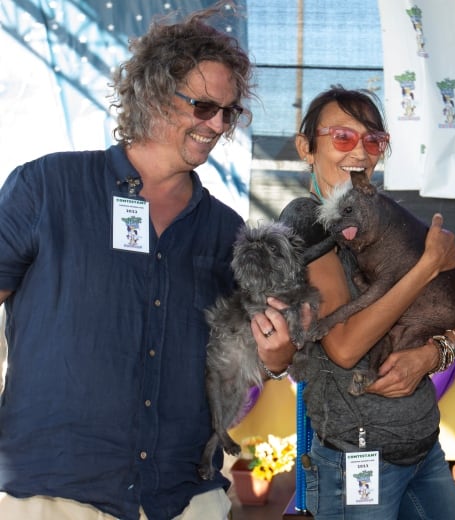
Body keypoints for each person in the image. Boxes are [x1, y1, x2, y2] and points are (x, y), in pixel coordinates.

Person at [0, 2, 298, 518]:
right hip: (55, 490)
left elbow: (241, 357)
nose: (218, 124)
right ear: (155, 94)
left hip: (183, 494)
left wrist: (275, 357)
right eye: (204, 106)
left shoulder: (226, 230)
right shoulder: (48, 187)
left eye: (229, 112)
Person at [281, 86, 455, 519]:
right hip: (355, 461)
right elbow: (343, 348)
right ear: (306, 147)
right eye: (342, 136)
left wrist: (433, 354)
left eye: (373, 140)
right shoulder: (308, 221)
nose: (360, 151)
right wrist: (425, 266)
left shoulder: (380, 211)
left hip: (423, 449)